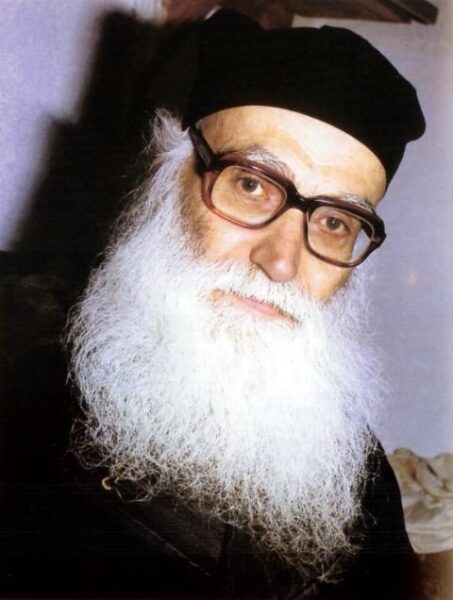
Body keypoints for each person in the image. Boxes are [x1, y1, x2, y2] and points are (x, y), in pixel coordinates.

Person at [1, 9, 426, 600]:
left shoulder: (361, 476)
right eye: (252, 183)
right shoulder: (17, 375)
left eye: (335, 221)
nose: (282, 262)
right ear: (166, 175)